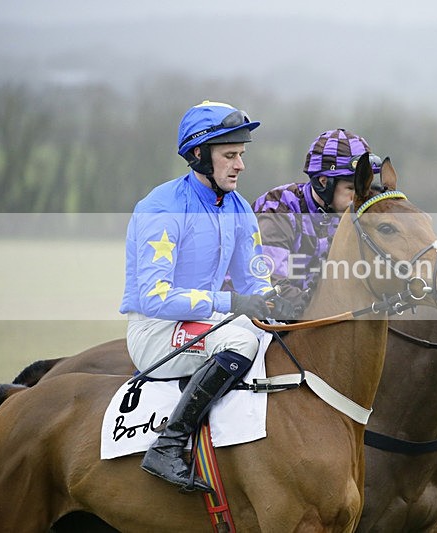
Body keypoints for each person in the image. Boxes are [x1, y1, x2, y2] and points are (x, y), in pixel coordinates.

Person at [119, 100, 291, 492]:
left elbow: (253, 284)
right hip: (156, 332)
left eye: (241, 155)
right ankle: (168, 443)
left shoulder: (239, 208)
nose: (240, 165)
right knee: (242, 339)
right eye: (229, 155)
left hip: (204, 323)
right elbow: (154, 297)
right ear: (198, 155)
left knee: (280, 339)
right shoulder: (161, 209)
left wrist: (277, 305)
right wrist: (232, 305)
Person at [251, 128, 382, 316]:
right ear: (323, 182)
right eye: (352, 188)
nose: (359, 198)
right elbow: (271, 283)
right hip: (256, 316)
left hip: (309, 318)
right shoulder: (279, 206)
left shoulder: (350, 218)